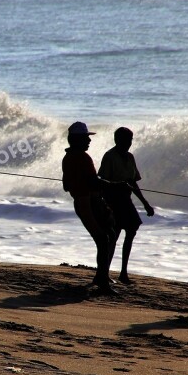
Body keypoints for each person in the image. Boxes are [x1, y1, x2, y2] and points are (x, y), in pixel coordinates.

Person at [61, 122, 131, 295]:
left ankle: (102, 276)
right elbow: (94, 181)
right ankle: (102, 281)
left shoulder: (68, 158)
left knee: (110, 235)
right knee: (103, 239)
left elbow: (66, 186)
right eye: (86, 138)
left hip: (88, 202)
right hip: (87, 204)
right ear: (77, 140)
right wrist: (116, 185)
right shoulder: (82, 158)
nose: (89, 141)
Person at [98, 127, 155, 285]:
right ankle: (104, 273)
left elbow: (133, 183)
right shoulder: (109, 156)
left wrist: (146, 204)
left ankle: (123, 272)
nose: (129, 143)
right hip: (112, 202)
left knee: (131, 231)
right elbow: (102, 182)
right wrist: (115, 188)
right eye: (126, 140)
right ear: (117, 140)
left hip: (126, 201)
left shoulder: (130, 157)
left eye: (130, 140)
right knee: (113, 237)